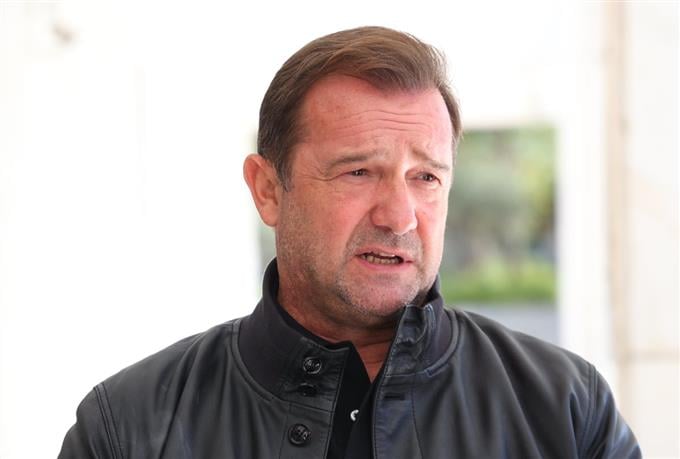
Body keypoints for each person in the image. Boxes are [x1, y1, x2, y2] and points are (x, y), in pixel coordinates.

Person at [58, 26, 640, 458]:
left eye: (426, 177)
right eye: (358, 172)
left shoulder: (567, 408)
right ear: (268, 190)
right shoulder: (127, 428)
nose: (400, 216)